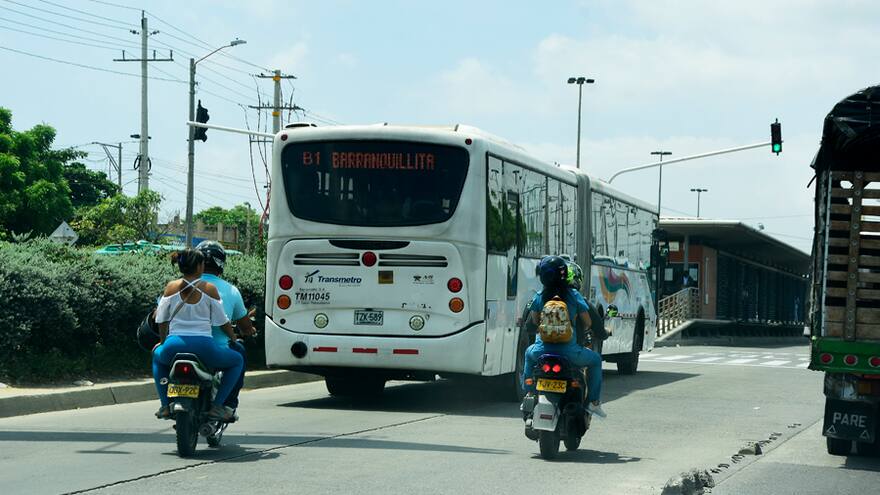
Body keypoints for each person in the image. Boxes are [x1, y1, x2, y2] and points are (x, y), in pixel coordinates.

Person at [152, 249, 244, 422]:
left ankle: (165, 405)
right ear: (200, 266)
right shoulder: (209, 289)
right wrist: (232, 338)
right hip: (204, 348)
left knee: (157, 358)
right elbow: (222, 322)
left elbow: (161, 319)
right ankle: (218, 406)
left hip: (173, 345)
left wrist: (162, 342)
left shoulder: (171, 287)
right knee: (237, 360)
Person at [522, 255, 606, 418]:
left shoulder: (539, 295)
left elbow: (533, 320)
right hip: (570, 352)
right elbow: (588, 322)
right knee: (595, 360)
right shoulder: (573, 295)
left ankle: (530, 393)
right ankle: (593, 402)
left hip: (542, 351)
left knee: (528, 354)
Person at [196, 240, 256, 413]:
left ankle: (165, 403)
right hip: (214, 350)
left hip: (177, 346)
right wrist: (244, 332)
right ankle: (226, 404)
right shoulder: (229, 291)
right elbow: (232, 324)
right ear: (221, 264)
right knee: (239, 354)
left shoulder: (177, 286)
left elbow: (159, 317)